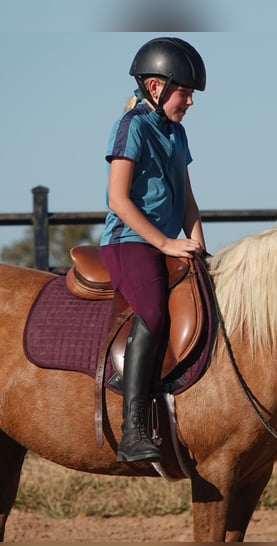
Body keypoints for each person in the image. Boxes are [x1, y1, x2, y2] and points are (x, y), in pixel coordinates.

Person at [99, 37, 207, 463]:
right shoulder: (132, 127)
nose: (191, 102)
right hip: (129, 243)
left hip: (170, 244)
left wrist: (198, 242)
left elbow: (188, 200)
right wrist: (164, 242)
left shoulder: (177, 134)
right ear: (157, 87)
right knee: (155, 312)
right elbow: (118, 200)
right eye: (185, 92)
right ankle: (133, 429)